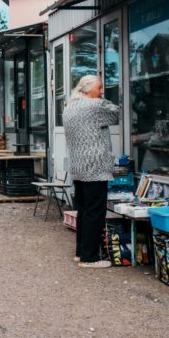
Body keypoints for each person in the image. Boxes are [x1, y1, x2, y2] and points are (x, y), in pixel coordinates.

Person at [62, 74, 120, 269]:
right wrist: (102, 100)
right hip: (95, 166)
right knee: (95, 213)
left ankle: (81, 252)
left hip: (78, 166)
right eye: (99, 88)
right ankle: (90, 258)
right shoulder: (95, 106)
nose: (102, 92)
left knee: (84, 211)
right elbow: (116, 114)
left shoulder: (69, 107)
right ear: (87, 89)